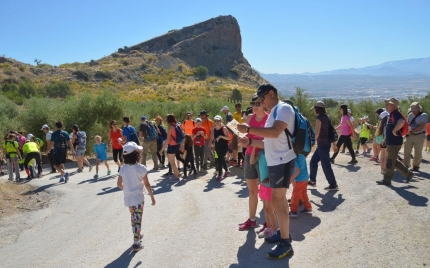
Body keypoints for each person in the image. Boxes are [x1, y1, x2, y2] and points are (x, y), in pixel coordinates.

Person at [238, 84, 294, 260]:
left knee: (277, 201)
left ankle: (285, 243)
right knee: (280, 201)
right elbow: (268, 141)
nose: (261, 103)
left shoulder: (283, 108)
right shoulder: (275, 112)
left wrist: (248, 130)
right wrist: (250, 142)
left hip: (282, 161)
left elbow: (275, 132)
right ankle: (283, 234)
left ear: (272, 94)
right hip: (276, 161)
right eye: (258, 101)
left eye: (261, 99)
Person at [117, 141, 156, 252]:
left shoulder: (123, 168)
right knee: (138, 219)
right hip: (139, 199)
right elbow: (147, 184)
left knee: (134, 218)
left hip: (129, 199)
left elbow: (119, 184)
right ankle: (136, 243)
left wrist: (127, 187)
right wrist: (152, 197)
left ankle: (136, 235)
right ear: (136, 154)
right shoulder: (141, 168)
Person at [238, 95, 268, 231]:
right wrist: (243, 138)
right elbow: (248, 135)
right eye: (253, 103)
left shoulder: (269, 119)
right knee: (252, 191)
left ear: (264, 104)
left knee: (266, 192)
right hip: (249, 155)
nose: (255, 106)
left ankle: (269, 221)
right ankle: (252, 220)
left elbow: (269, 142)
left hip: (263, 157)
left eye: (258, 103)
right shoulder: (250, 118)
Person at [377, 98, 414, 186]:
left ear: (393, 106)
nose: (386, 106)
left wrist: (394, 130)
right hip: (391, 142)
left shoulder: (396, 114)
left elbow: (401, 122)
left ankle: (387, 180)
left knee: (390, 161)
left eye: (387, 104)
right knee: (393, 160)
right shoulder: (392, 114)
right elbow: (389, 130)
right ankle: (408, 174)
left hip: (394, 142)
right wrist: (386, 139)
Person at [308, 101, 339, 190]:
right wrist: (334, 144)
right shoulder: (327, 117)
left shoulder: (319, 118)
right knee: (313, 162)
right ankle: (312, 181)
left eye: (314, 108)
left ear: (317, 108)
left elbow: (317, 133)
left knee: (326, 165)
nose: (314, 110)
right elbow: (331, 131)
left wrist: (312, 142)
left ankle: (333, 184)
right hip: (325, 143)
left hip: (322, 144)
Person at [403, 102, 428, 171]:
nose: (413, 112)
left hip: (419, 135)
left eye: (414, 110)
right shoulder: (410, 115)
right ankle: (406, 165)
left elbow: (421, 126)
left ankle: (416, 166)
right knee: (406, 151)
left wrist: (411, 131)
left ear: (418, 110)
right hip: (410, 135)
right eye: (412, 110)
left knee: (418, 152)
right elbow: (408, 124)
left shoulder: (423, 115)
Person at [159, 114, 181, 180]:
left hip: (172, 146)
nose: (165, 120)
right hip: (177, 144)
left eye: (166, 118)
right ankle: (177, 173)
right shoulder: (177, 125)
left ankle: (176, 177)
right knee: (174, 161)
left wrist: (162, 150)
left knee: (172, 163)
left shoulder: (170, 127)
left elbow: (168, 139)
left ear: (169, 119)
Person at [211, 115, 231, 180]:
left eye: (218, 121)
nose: (217, 122)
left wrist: (220, 136)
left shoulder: (224, 128)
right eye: (215, 121)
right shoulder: (213, 129)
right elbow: (213, 139)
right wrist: (213, 147)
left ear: (221, 121)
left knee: (220, 159)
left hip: (224, 147)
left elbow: (228, 138)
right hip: (217, 147)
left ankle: (220, 175)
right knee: (220, 159)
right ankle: (227, 171)